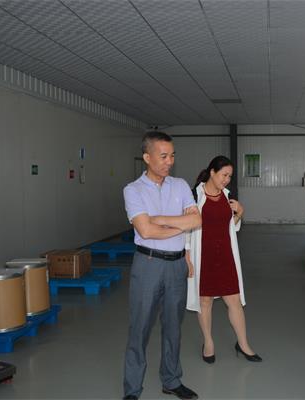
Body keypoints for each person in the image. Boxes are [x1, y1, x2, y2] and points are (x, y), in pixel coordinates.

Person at [122, 131, 202, 400]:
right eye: (164, 156)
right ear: (147, 157)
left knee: (173, 327)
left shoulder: (180, 185)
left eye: (172, 156)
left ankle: (171, 380)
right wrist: (179, 225)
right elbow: (145, 231)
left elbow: (197, 221)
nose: (170, 161)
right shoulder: (133, 190)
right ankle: (132, 389)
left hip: (177, 266)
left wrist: (161, 220)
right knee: (140, 328)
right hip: (148, 264)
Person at [186, 156, 262, 364]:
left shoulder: (228, 196)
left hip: (226, 255)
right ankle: (208, 343)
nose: (227, 180)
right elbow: (186, 229)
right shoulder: (195, 196)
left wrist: (240, 213)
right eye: (224, 175)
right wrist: (187, 256)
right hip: (203, 256)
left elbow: (231, 227)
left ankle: (243, 344)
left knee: (234, 300)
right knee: (205, 301)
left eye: (229, 176)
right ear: (212, 172)